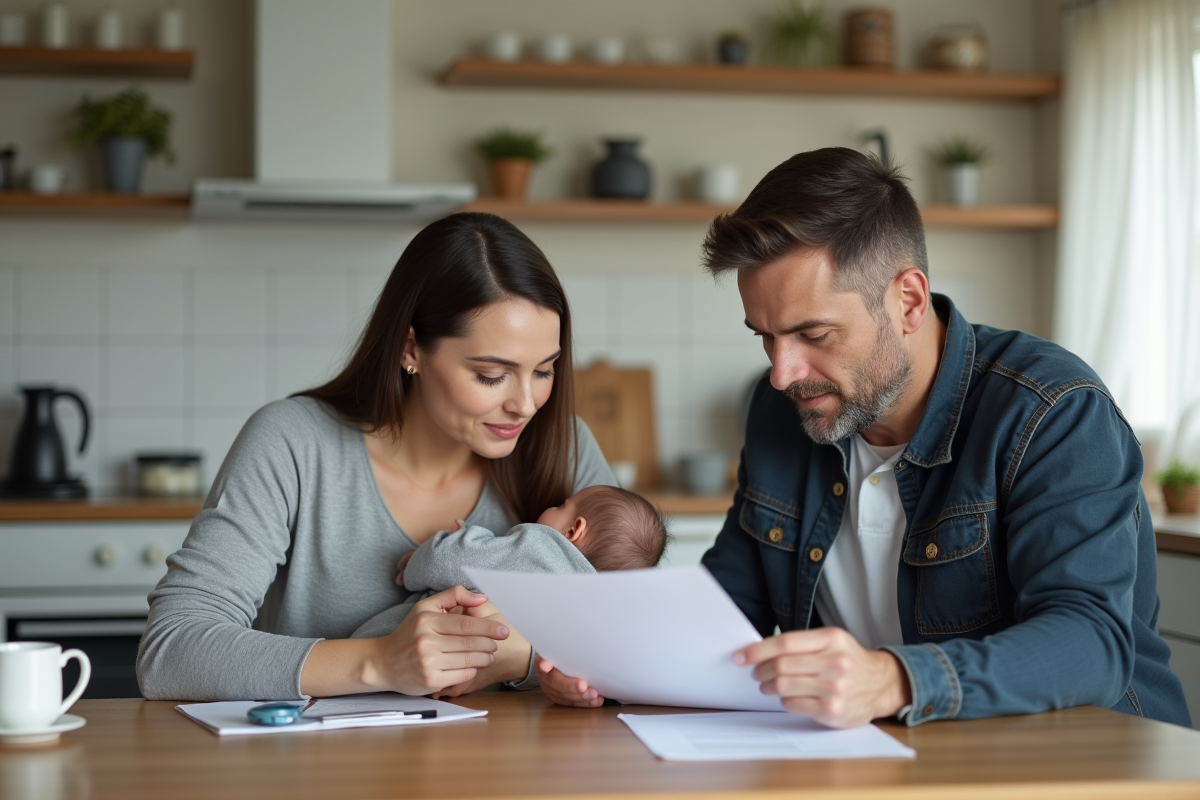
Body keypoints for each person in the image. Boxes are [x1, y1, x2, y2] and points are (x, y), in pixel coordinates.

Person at [538, 147, 1192, 729]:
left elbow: (1092, 641)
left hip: (1087, 760)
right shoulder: (783, 414)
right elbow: (730, 606)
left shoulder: (1052, 413)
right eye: (764, 336)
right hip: (892, 762)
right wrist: (614, 668)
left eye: (813, 335)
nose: (782, 372)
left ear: (908, 300)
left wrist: (893, 678)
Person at [137, 212, 616, 701]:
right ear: (411, 348)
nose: (527, 403)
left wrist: (517, 659)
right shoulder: (293, 443)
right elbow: (171, 651)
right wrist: (382, 662)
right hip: (319, 771)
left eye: (544, 371)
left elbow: (641, 638)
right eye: (492, 375)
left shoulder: (565, 447)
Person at [351, 485, 668, 640]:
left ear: (574, 530)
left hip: (390, 645)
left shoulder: (541, 546)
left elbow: (441, 560)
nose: (551, 507)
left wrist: (414, 566)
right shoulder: (591, 612)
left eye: (562, 505)